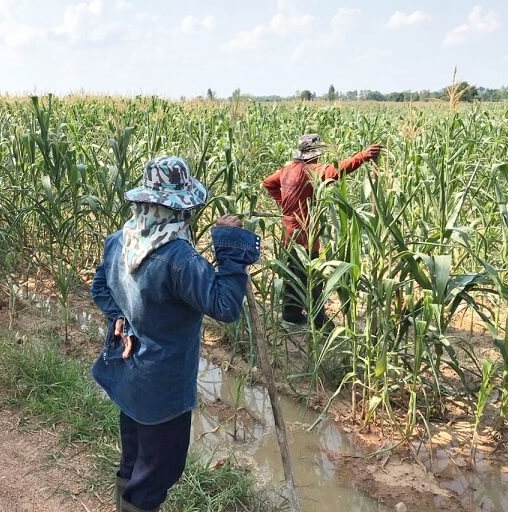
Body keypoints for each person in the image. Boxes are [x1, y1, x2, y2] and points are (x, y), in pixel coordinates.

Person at [91, 156, 260, 512]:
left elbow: (100, 289)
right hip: (163, 385)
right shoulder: (178, 257)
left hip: (130, 372)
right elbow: (225, 306)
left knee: (134, 458)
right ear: (179, 208)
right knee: (158, 472)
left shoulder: (120, 242)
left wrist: (120, 317)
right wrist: (231, 245)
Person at [262, 134, 381, 328]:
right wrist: (363, 156)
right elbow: (338, 170)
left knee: (293, 274)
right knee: (313, 277)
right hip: (304, 236)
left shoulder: (287, 169)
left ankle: (290, 315)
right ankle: (320, 322)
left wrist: (284, 203)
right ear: (314, 155)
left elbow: (268, 182)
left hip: (288, 233)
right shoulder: (311, 170)